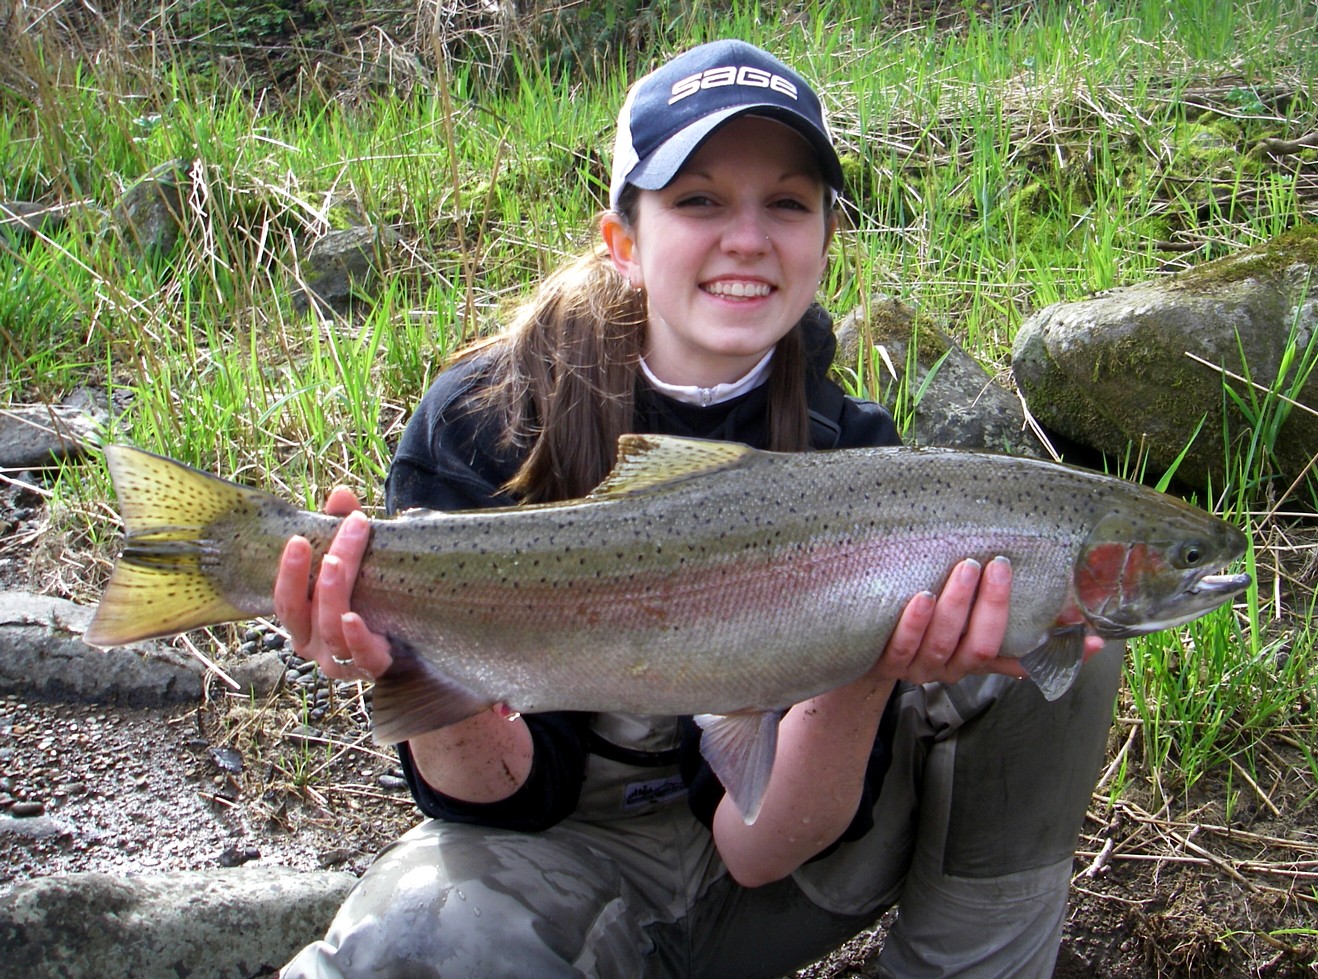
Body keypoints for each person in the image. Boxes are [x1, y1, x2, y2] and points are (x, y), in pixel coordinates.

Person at [275, 39, 1121, 979]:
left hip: (779, 883)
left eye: (787, 204)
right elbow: (505, 801)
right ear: (623, 242)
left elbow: (760, 846)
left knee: (1062, 623)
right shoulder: (483, 422)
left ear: (826, 239)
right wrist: (402, 653)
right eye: (698, 199)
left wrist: (866, 672)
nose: (748, 237)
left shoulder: (856, 456)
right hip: (564, 874)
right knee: (408, 943)